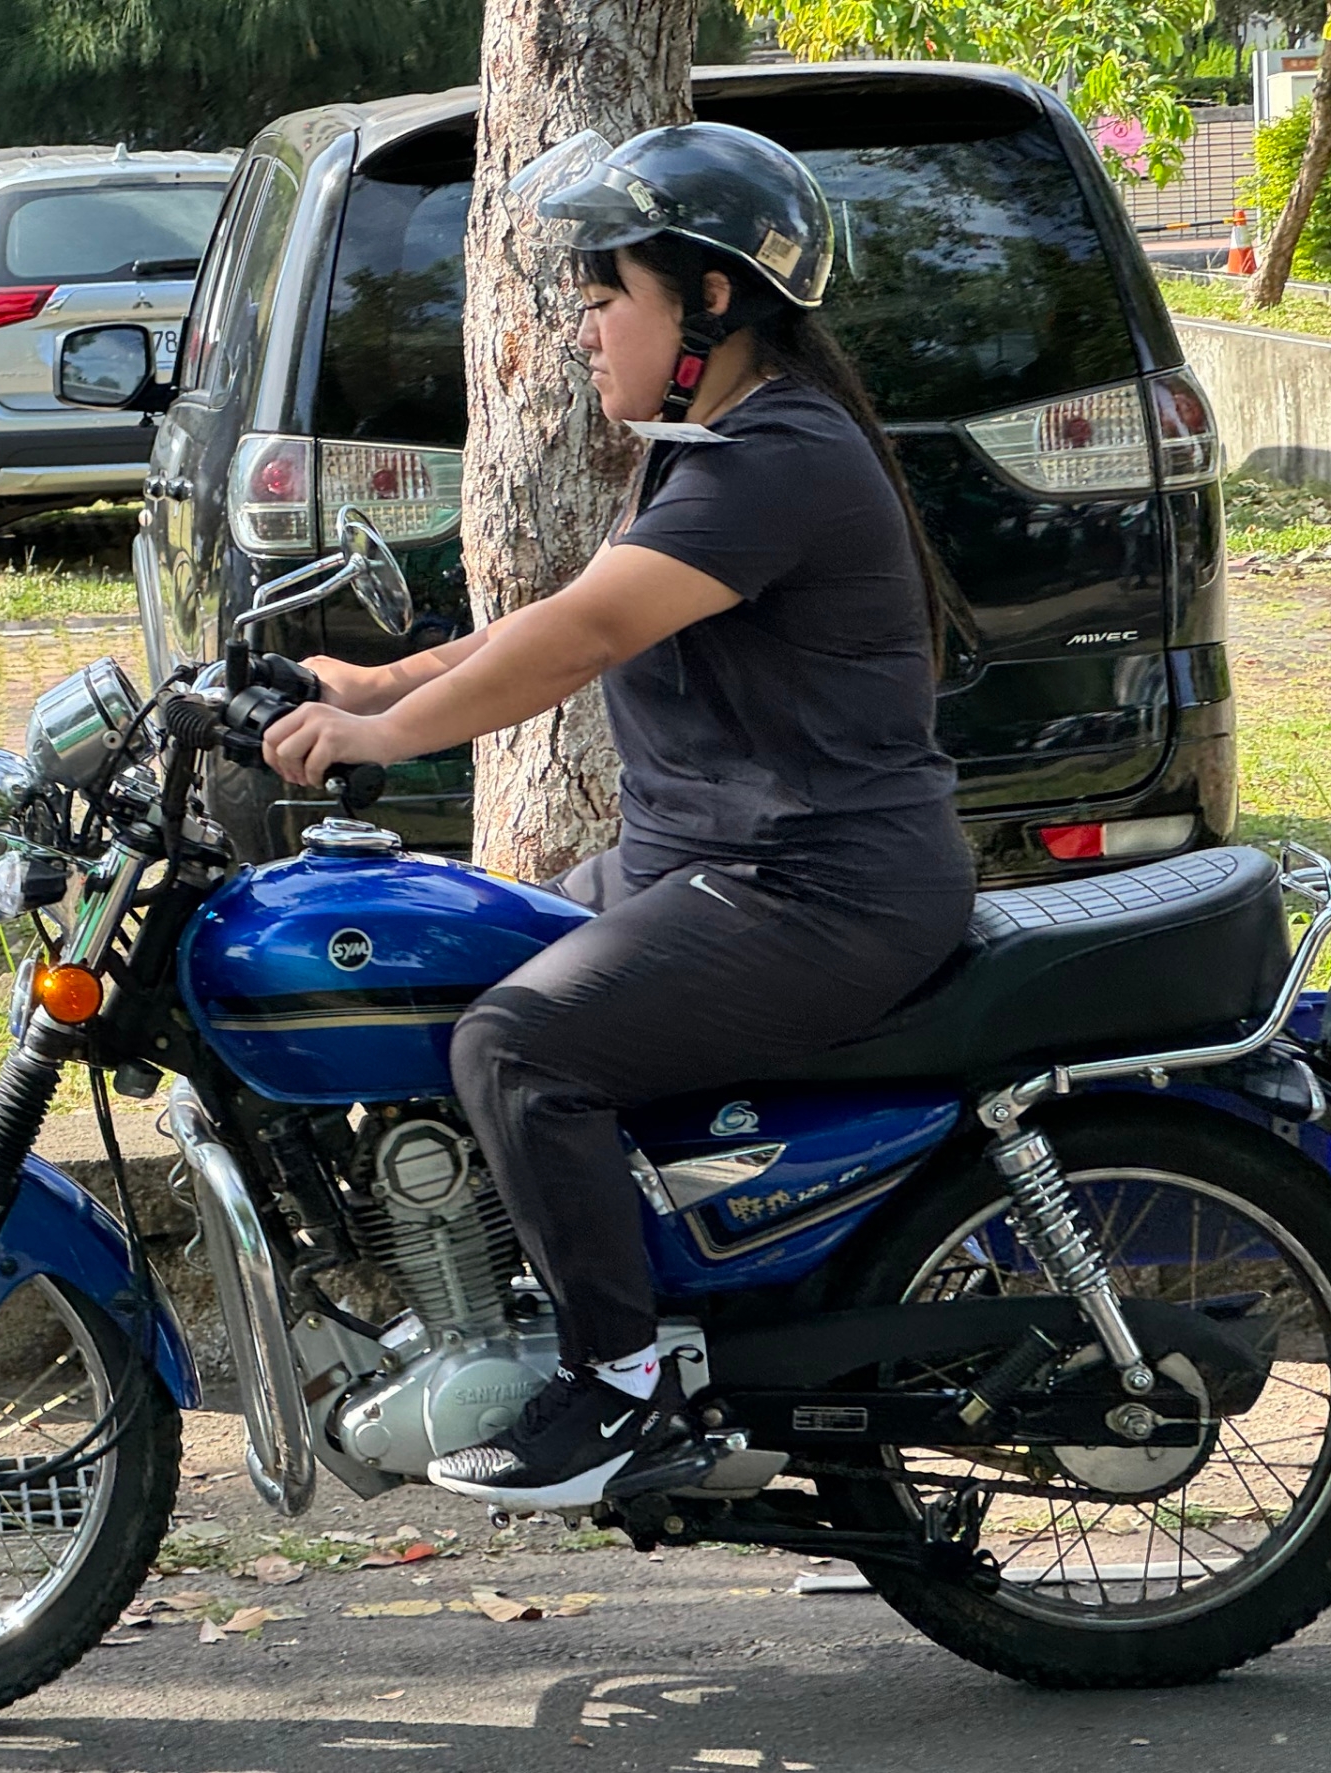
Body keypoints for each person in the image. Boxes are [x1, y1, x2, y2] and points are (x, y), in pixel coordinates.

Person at [260, 122, 978, 1511]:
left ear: (708, 300)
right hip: (706, 865)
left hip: (822, 889)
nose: (582, 330)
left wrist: (384, 735)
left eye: (605, 298)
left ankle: (623, 1387)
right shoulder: (707, 448)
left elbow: (582, 639)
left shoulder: (776, 457)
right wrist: (368, 679)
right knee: (456, 962)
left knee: (517, 1046)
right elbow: (562, 614)